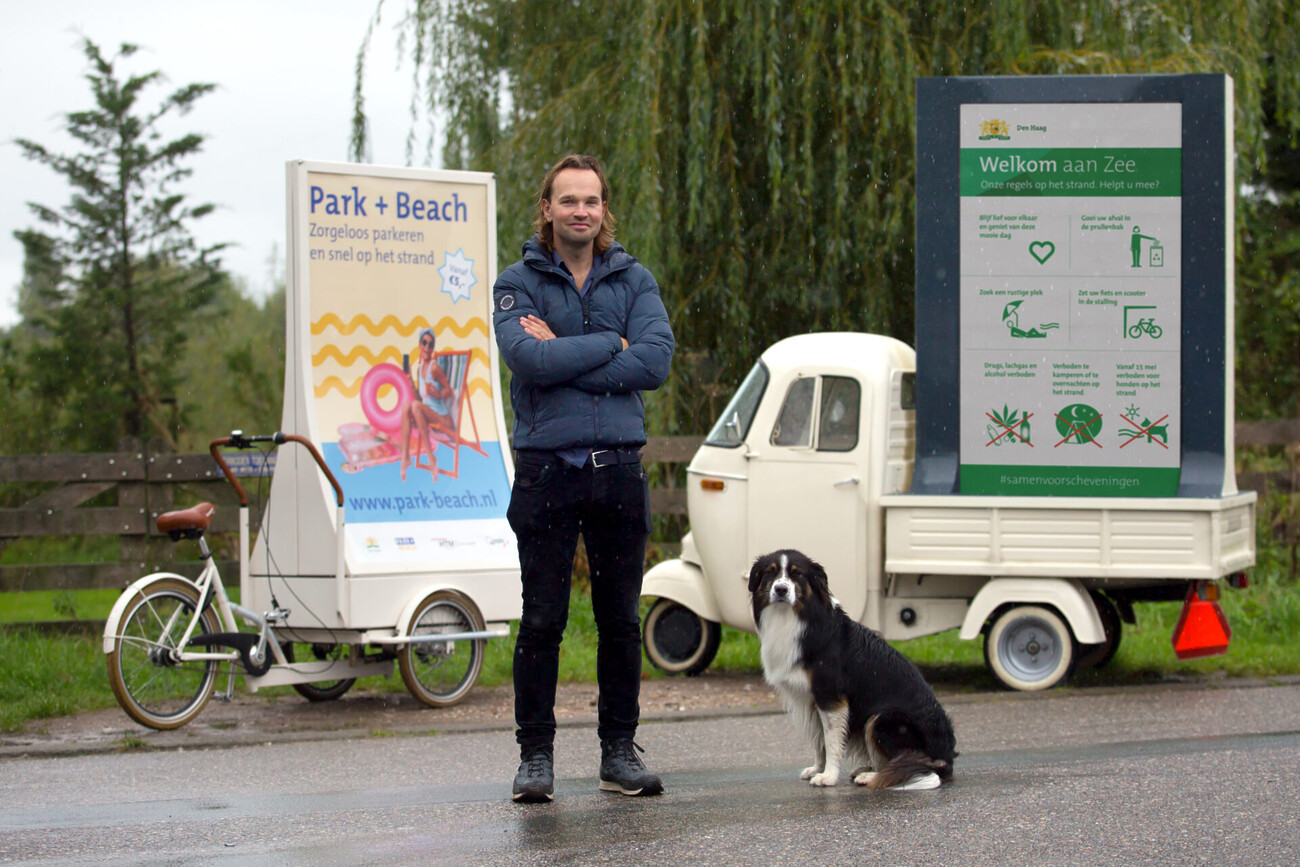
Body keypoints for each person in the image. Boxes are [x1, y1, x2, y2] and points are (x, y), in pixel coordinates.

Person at [493, 154, 675, 803]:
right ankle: (535, 757)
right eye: (567, 200)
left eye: (590, 201)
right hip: (546, 473)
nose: (580, 211)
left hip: (619, 472)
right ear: (546, 208)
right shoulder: (516, 282)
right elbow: (527, 358)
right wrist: (612, 345)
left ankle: (618, 752)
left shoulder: (634, 278)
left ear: (604, 209)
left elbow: (655, 361)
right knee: (542, 619)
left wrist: (568, 353)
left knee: (620, 620)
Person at [399, 326, 455, 482]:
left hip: (443, 418)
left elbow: (448, 390)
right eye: (424, 342)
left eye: (430, 344)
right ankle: (405, 458)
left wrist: (439, 393)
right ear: (419, 344)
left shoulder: (434, 367)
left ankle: (431, 458)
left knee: (415, 406)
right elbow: (419, 399)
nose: (427, 347)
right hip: (427, 415)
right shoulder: (419, 369)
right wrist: (410, 381)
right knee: (407, 406)